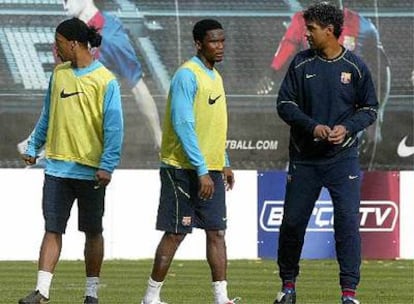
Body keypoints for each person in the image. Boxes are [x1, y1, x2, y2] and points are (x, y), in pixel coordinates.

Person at [273, 2, 378, 304]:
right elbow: (285, 104)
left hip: (342, 161)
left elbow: (370, 108)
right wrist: (312, 127)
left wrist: (346, 128)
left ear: (329, 31)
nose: (306, 34)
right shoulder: (300, 64)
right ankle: (288, 287)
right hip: (304, 160)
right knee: (292, 223)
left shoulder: (356, 67)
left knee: (346, 224)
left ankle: (349, 293)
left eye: (311, 29)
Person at [18, 17, 123, 304]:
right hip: (57, 169)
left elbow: (114, 128)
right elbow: (47, 116)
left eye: (59, 44)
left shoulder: (105, 81)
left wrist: (107, 164)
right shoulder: (59, 75)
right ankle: (41, 291)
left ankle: (91, 293)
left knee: (93, 232)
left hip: (91, 173)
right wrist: (34, 145)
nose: (55, 49)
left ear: (74, 44)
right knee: (52, 229)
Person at [140, 19, 238, 304]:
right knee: (176, 233)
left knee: (217, 232)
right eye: (213, 41)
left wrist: (224, 161)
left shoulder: (215, 77)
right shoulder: (187, 75)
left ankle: (222, 299)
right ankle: (150, 298)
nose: (220, 47)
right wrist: (202, 170)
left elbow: (213, 126)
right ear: (198, 43)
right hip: (182, 170)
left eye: (222, 40)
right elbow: (183, 124)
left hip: (210, 168)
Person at [17, 0, 161, 166]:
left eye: (67, 0)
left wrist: (158, 136)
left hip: (96, 143)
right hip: (65, 143)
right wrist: (34, 140)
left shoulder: (111, 34)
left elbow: (139, 89)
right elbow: (59, 98)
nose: (64, 6)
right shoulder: (64, 38)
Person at [258, 0, 390, 167]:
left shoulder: (364, 27)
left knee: (345, 170)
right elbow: (288, 44)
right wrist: (271, 72)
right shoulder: (302, 22)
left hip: (347, 115)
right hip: (311, 114)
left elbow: (382, 72)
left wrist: (377, 121)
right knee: (302, 169)